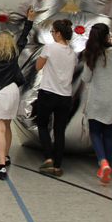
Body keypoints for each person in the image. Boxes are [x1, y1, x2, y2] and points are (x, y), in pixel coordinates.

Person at [0, 8, 34, 180]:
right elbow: (24, 38)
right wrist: (29, 19)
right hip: (12, 92)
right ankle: (7, 156)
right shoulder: (14, 54)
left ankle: (0, 166)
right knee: (8, 126)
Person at [80, 23, 112, 184]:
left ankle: (103, 161)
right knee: (108, 134)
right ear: (108, 36)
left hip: (97, 99)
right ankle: (107, 165)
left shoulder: (91, 53)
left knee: (94, 132)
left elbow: (86, 78)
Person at [34, 18, 76, 177]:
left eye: (52, 32)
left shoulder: (49, 48)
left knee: (43, 125)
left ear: (58, 33)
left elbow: (38, 66)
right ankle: (58, 166)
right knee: (59, 131)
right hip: (65, 96)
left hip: (48, 92)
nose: (51, 35)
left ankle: (48, 158)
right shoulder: (72, 52)